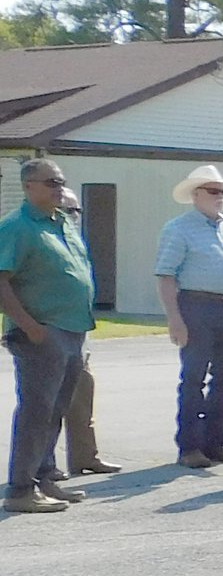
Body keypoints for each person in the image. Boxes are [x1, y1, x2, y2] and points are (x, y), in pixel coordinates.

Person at [0, 159, 96, 513]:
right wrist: (30, 326)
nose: (59, 188)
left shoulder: (61, 223)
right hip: (42, 332)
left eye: (62, 182)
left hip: (72, 329)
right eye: (51, 182)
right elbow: (1, 280)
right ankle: (21, 489)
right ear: (29, 186)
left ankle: (44, 478)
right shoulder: (17, 227)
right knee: (36, 411)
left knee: (56, 409)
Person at [154, 164, 223, 467]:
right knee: (194, 378)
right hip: (196, 306)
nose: (221, 197)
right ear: (196, 194)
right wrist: (174, 318)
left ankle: (215, 442)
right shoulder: (179, 228)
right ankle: (189, 447)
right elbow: (165, 275)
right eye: (214, 191)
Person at [46, 189, 117, 478]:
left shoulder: (74, 240)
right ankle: (42, 466)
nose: (74, 216)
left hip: (78, 333)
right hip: (51, 333)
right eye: (69, 210)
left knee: (82, 398)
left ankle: (85, 457)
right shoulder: (43, 239)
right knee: (48, 405)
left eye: (77, 211)